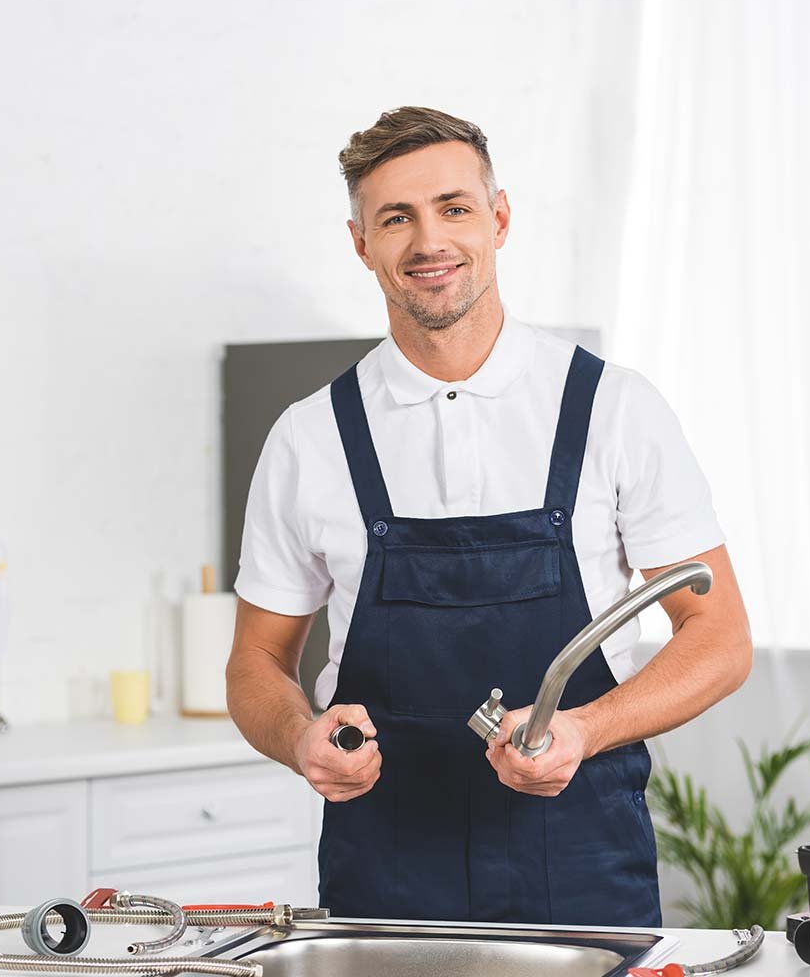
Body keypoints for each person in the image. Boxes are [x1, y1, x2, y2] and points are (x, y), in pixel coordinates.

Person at [226, 106, 752, 926]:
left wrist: (583, 728)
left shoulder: (614, 409)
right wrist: (300, 737)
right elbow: (256, 660)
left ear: (498, 219)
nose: (428, 242)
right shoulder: (311, 436)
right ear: (362, 244)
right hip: (386, 879)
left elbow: (719, 639)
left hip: (581, 867)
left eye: (454, 208)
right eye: (396, 218)